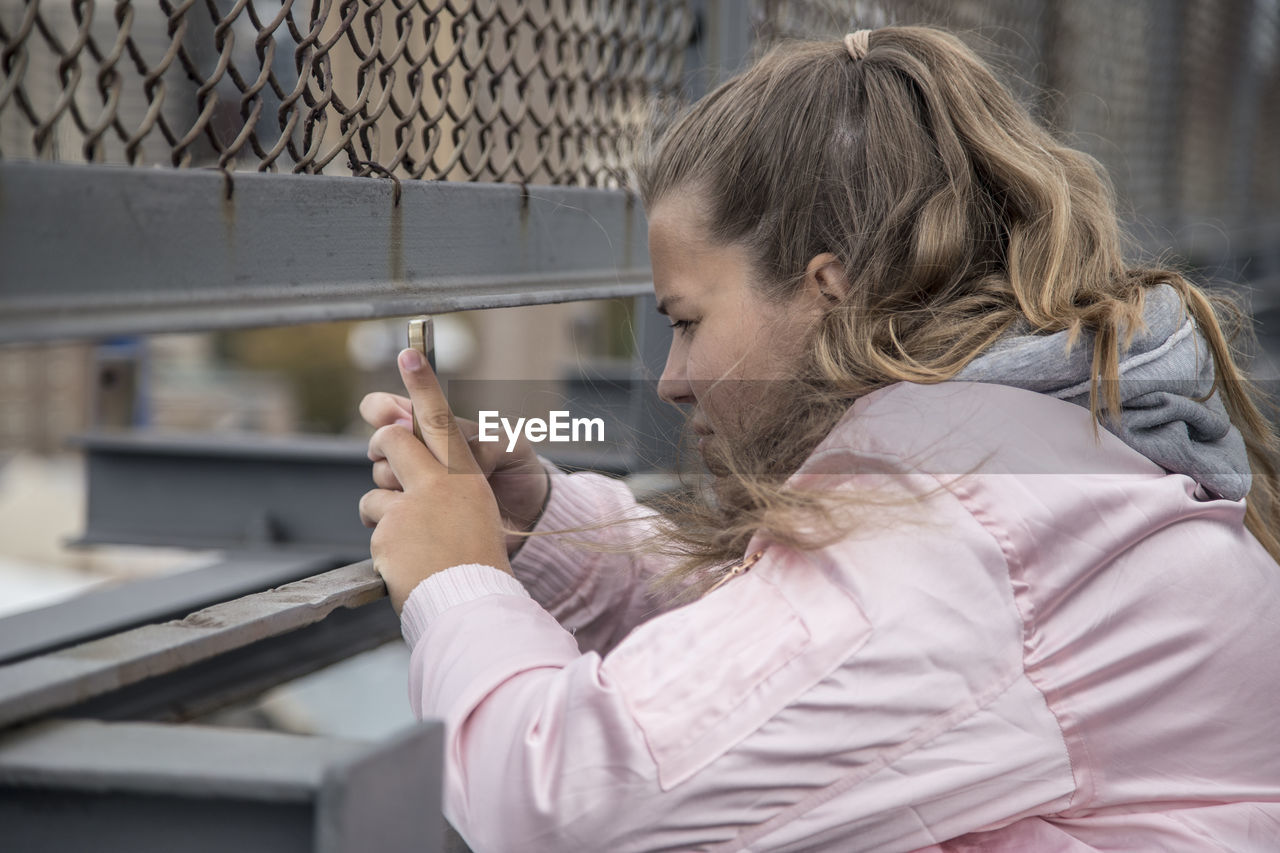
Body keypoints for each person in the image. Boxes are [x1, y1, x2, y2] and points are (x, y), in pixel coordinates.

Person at [357, 25, 1280, 852]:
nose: (671, 378)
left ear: (826, 289)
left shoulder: (952, 526)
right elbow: (790, 649)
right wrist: (544, 524)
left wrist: (455, 581)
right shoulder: (1025, 449)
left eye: (687, 319)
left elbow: (555, 803)